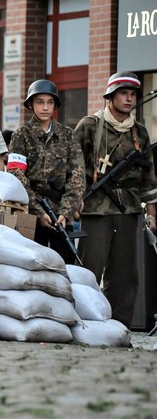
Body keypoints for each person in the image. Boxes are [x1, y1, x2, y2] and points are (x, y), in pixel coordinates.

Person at [74, 71, 157, 328]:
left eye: (133, 95)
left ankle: (119, 325)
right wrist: (75, 200)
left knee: (124, 272)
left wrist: (152, 212)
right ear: (110, 96)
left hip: (128, 207)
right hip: (95, 206)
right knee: (90, 266)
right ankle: (85, 322)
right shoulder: (89, 125)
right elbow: (74, 166)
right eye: (124, 93)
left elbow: (149, 175)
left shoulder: (139, 132)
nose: (129, 99)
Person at [7, 79, 84, 264]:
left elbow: (77, 177)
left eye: (50, 102)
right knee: (32, 265)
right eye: (40, 102)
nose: (45, 107)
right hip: (31, 212)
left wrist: (65, 213)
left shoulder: (67, 135)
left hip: (60, 214)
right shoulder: (21, 135)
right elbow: (16, 175)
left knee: (65, 266)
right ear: (31, 104)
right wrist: (39, 212)